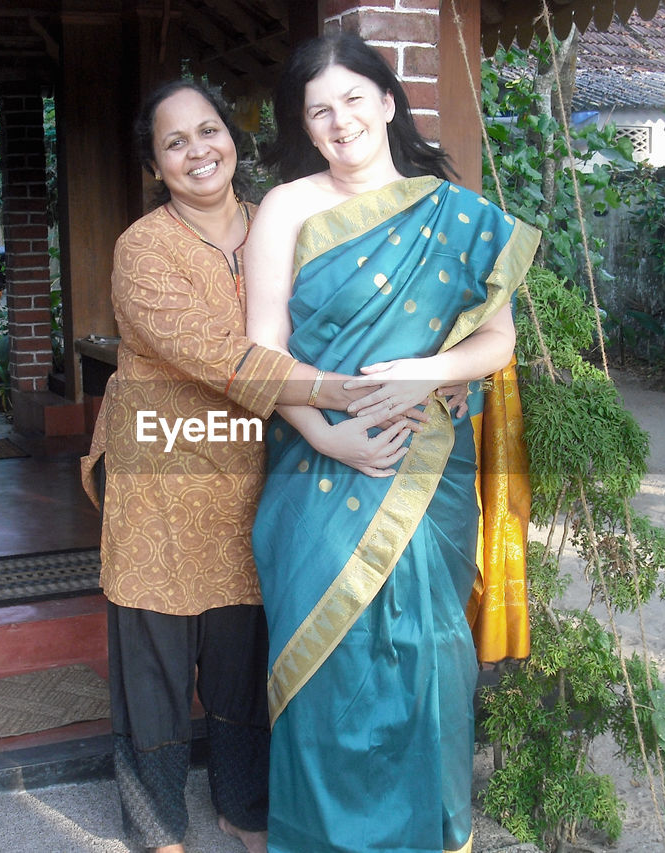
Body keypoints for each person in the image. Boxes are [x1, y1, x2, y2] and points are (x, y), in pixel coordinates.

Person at [79, 79, 408, 853]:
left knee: (242, 658)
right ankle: (157, 825)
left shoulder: (280, 225)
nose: (199, 151)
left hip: (259, 474)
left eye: (209, 131)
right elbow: (217, 354)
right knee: (155, 663)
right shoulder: (143, 248)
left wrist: (424, 375)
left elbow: (343, 313)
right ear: (156, 165)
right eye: (175, 142)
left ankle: (243, 806)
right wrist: (331, 394)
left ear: (234, 137)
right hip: (161, 476)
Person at [244, 33, 541, 853]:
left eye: (351, 100)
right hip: (316, 472)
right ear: (307, 129)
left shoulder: (452, 211)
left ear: (386, 101)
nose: (339, 122)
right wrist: (326, 435)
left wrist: (424, 369)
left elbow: (498, 343)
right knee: (326, 672)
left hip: (427, 471)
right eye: (318, 111)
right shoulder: (287, 208)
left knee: (428, 666)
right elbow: (263, 351)